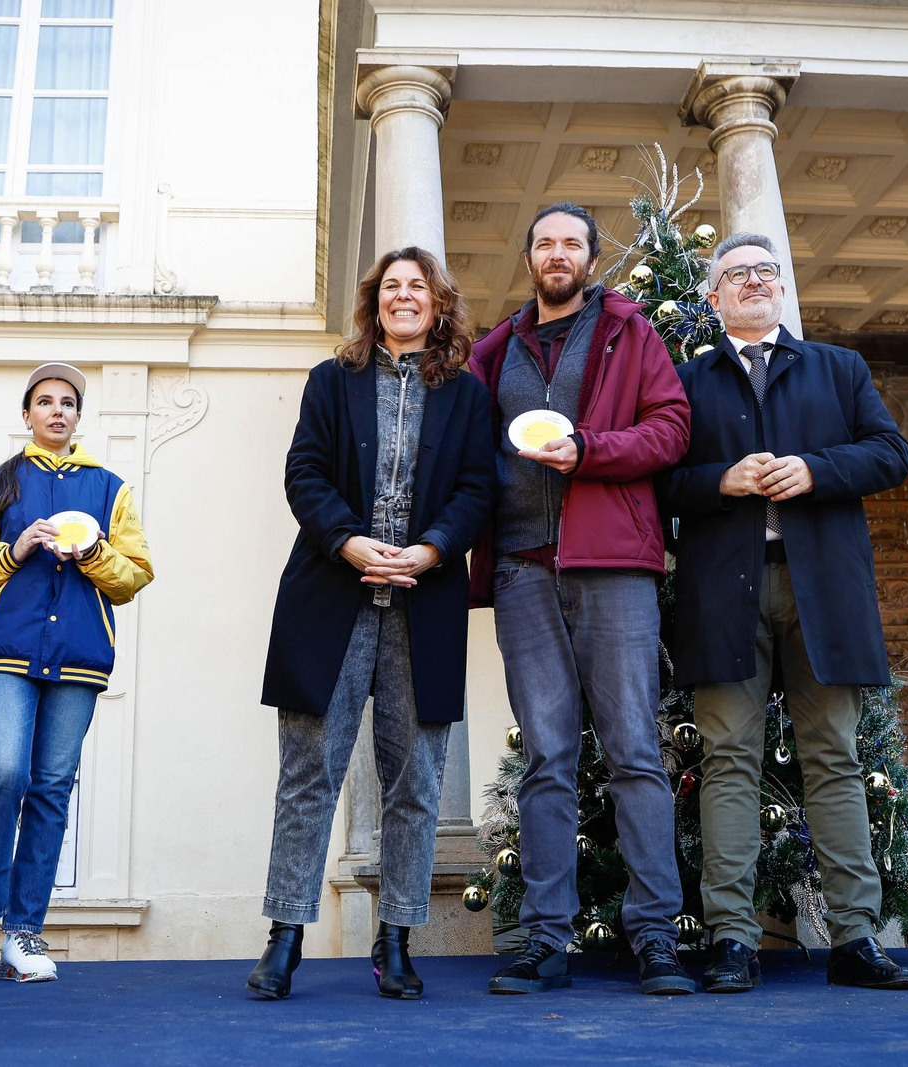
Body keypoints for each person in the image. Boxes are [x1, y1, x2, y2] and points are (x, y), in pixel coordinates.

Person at [660, 232, 908, 993]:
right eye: (736, 274)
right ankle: (732, 940)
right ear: (713, 298)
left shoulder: (839, 368)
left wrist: (814, 469)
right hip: (722, 595)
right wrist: (722, 481)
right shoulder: (684, 381)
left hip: (823, 592)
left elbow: (891, 453)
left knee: (834, 758)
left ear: (781, 287)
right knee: (728, 762)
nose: (753, 281)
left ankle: (855, 938)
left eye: (765, 271)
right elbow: (657, 480)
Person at [251, 246, 495, 1001]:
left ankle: (396, 940)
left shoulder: (468, 394)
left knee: (415, 781)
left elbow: (479, 487)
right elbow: (304, 472)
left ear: (438, 303)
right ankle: (285, 935)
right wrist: (349, 541)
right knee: (308, 776)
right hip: (332, 597)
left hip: (425, 601)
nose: (404, 295)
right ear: (374, 302)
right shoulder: (332, 380)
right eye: (391, 286)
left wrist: (432, 549)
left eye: (417, 286)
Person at [468, 202, 696, 996]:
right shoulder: (495, 352)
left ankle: (656, 935)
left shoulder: (630, 332)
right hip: (522, 571)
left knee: (635, 751)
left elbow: (671, 428)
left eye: (571, 242)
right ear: (530, 257)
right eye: (545, 243)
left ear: (591, 258)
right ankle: (545, 939)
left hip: (614, 565)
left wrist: (589, 450)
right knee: (546, 759)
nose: (557, 253)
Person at [0, 363, 153, 982]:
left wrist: (93, 552)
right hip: (6, 651)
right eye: (45, 402)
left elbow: (135, 576)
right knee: (5, 772)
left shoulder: (110, 489)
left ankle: (24, 934)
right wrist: (14, 551)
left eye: (67, 402)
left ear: (79, 416)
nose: (57, 411)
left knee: (52, 787)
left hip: (79, 656)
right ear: (27, 414)